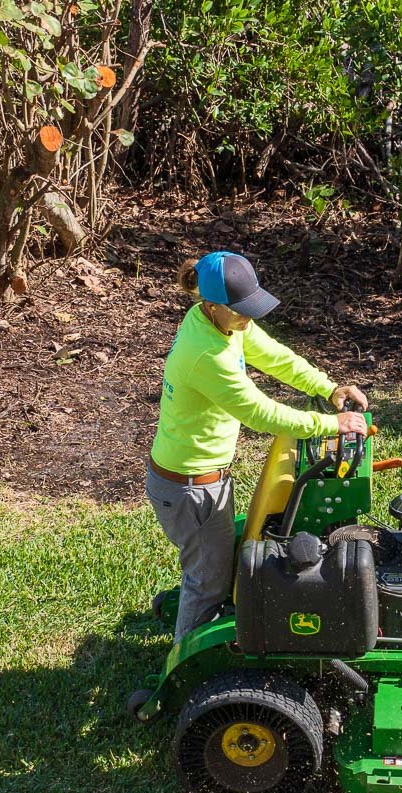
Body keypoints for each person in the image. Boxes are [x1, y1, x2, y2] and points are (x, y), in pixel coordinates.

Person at [146, 250, 369, 638]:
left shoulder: (219, 323)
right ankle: (183, 679)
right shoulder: (206, 354)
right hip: (189, 489)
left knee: (212, 564)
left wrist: (327, 386)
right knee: (206, 584)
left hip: (202, 480)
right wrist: (329, 424)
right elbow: (259, 413)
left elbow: (275, 356)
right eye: (241, 309)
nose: (249, 317)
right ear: (212, 304)